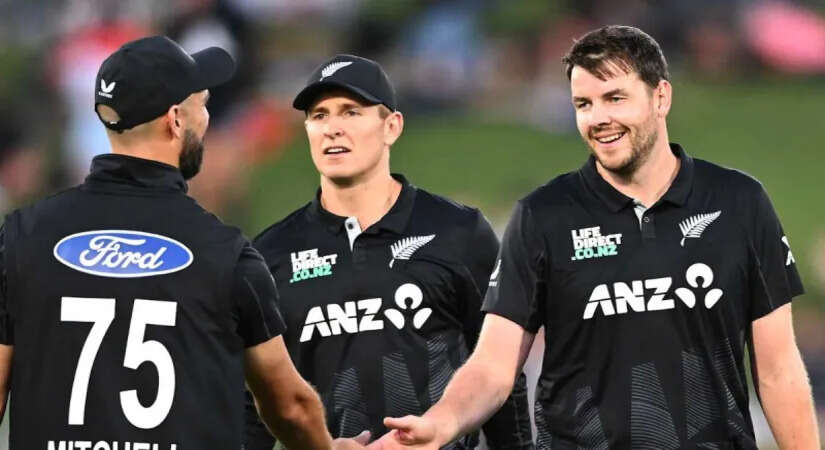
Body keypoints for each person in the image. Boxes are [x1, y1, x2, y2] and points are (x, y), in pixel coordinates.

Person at [372, 25, 820, 449]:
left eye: (615, 98)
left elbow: (778, 370)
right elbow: (493, 366)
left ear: (661, 97)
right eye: (583, 104)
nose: (598, 118)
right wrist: (440, 423)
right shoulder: (543, 216)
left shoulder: (739, 202)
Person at [0, 36, 365, 450]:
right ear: (175, 119)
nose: (206, 120)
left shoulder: (22, 237)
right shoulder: (225, 255)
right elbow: (291, 407)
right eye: (202, 105)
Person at [244, 54, 534, 449]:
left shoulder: (458, 232)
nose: (332, 128)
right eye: (319, 115)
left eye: (351, 112)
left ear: (392, 126)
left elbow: (499, 371)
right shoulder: (270, 255)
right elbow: (253, 407)